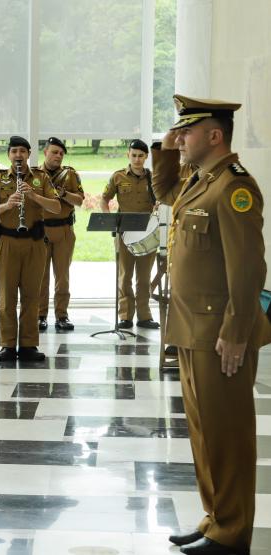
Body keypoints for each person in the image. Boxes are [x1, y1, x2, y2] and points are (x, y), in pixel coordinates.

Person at [153, 95, 269, 555]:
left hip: (219, 334)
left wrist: (237, 332)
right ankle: (215, 517)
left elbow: (247, 270)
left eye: (188, 131)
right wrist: (166, 148)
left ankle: (232, 532)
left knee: (228, 434)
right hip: (191, 329)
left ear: (214, 135)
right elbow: (164, 193)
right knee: (204, 433)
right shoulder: (200, 181)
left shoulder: (235, 188)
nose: (181, 138)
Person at [0, 136, 61, 362]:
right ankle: (7, 345)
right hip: (8, 241)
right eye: (14, 151)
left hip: (34, 242)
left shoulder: (40, 178)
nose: (18, 155)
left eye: (22, 151)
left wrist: (34, 196)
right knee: (7, 296)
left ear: (29, 154)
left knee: (32, 296)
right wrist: (7, 205)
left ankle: (29, 344)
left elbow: (57, 207)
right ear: (9, 155)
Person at [100, 139, 160, 330]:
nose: (137, 159)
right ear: (128, 155)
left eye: (140, 156)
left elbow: (160, 201)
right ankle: (125, 316)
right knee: (125, 275)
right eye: (133, 155)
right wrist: (109, 220)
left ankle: (144, 316)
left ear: (146, 157)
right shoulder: (118, 177)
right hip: (124, 232)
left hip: (146, 233)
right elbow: (104, 199)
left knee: (144, 276)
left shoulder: (152, 178)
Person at [36, 136, 84, 331]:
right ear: (45, 152)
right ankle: (40, 315)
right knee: (41, 275)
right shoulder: (35, 174)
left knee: (62, 276)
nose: (58, 156)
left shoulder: (70, 175)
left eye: (61, 153)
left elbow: (80, 201)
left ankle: (62, 315)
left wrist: (63, 194)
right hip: (41, 229)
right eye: (54, 152)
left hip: (64, 229)